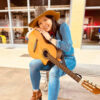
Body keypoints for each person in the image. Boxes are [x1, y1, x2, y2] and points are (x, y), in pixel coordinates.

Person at [26, 6, 76, 100]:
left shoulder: (62, 27)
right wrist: (29, 35)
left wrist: (50, 39)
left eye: (45, 20)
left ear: (51, 19)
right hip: (52, 59)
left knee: (54, 72)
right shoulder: (43, 33)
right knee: (32, 64)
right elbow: (31, 42)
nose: (43, 24)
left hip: (67, 59)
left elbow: (67, 46)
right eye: (40, 23)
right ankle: (36, 93)